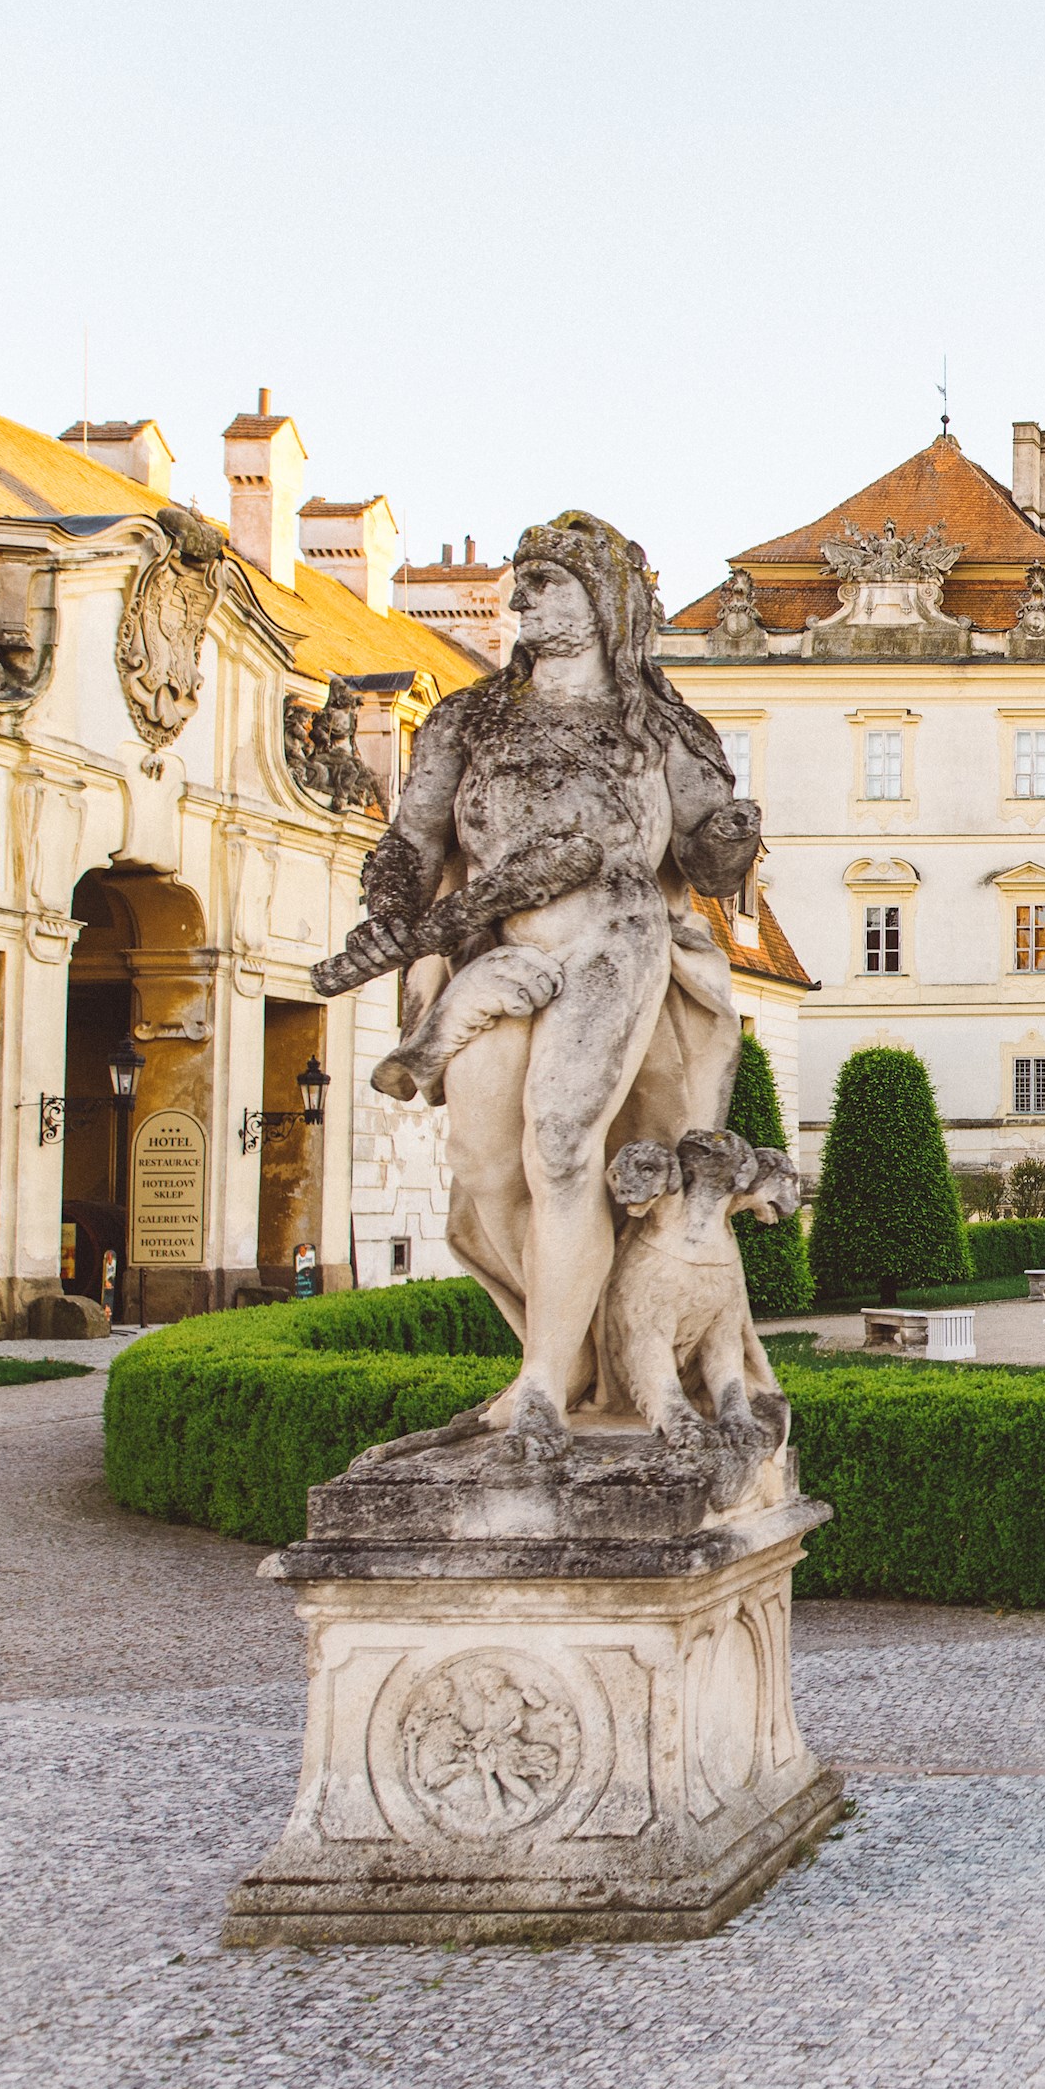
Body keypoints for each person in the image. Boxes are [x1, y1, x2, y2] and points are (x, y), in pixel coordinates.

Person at [317, 512, 762, 1461]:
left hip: (613, 932)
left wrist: (730, 840)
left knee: (560, 1147)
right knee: (484, 1172)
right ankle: (558, 1353)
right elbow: (410, 839)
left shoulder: (656, 723)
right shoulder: (467, 718)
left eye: (546, 581)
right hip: (496, 942)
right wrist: (391, 911)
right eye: (520, 580)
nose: (521, 598)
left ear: (602, 598)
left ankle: (545, 1394)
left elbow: (709, 862)